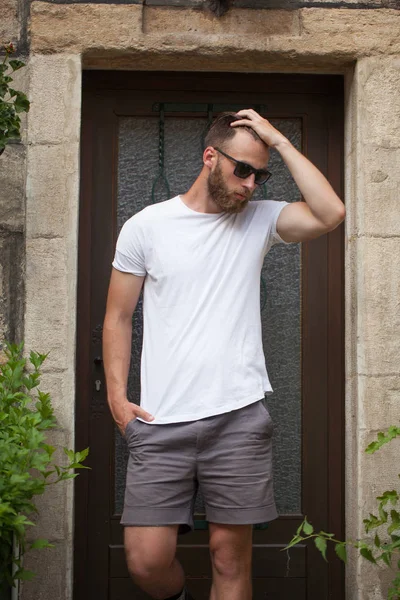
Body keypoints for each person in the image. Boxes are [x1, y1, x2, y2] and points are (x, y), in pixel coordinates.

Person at [103, 109, 345, 600]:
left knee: (229, 559)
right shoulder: (147, 227)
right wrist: (117, 400)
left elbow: (330, 213)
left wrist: (277, 140)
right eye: (243, 170)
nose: (251, 184)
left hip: (237, 420)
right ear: (210, 157)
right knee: (146, 563)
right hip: (159, 420)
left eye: (261, 174)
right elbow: (117, 318)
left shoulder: (259, 220)